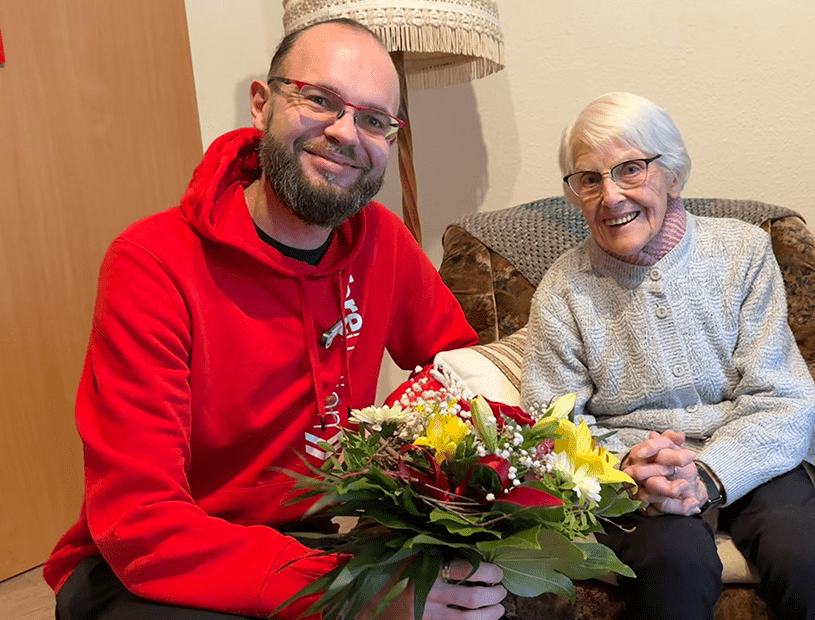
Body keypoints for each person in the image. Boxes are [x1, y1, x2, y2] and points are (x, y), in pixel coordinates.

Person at [45, 19, 506, 620]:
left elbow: (457, 374)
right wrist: (355, 595)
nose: (346, 133)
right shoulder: (151, 263)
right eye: (320, 100)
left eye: (373, 120)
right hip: (151, 561)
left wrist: (403, 481)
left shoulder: (383, 245)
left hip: (307, 539)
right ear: (261, 105)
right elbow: (140, 521)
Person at [520, 92, 815, 620]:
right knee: (674, 567)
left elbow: (783, 394)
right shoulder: (563, 288)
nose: (610, 196)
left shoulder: (744, 252)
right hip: (633, 476)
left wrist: (708, 473)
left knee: (813, 564)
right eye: (589, 179)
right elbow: (553, 422)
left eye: (630, 169)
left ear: (672, 175)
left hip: (756, 454)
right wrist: (625, 468)